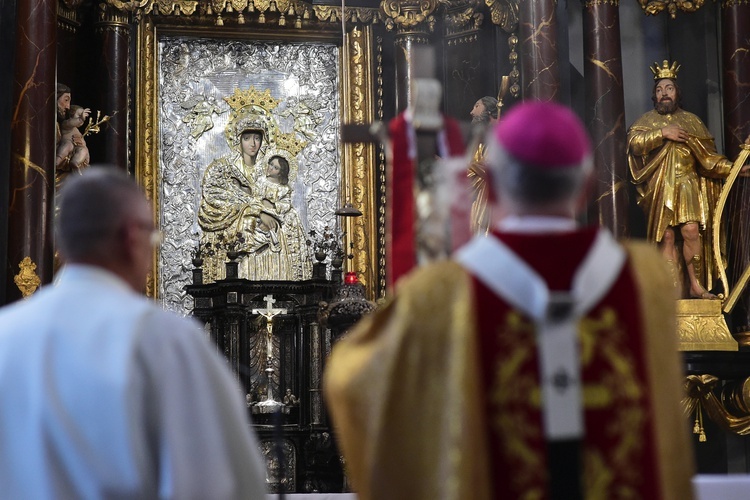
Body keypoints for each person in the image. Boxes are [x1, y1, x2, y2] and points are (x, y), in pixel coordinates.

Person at [325, 101, 693, 500]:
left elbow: (351, 381)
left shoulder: (439, 294)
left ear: (492, 186)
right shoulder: (647, 281)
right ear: (587, 187)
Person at [0, 168, 268, 498]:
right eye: (153, 238)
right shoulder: (164, 342)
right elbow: (225, 485)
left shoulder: (5, 334)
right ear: (131, 238)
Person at [628, 60, 750, 299]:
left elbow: (708, 160)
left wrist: (735, 169)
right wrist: (662, 133)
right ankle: (670, 290)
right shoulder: (645, 122)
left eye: (669, 88)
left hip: (687, 185)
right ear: (654, 95)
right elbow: (634, 144)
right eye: (659, 89)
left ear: (677, 93)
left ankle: (695, 284)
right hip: (659, 187)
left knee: (692, 231)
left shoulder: (692, 122)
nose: (664, 93)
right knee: (666, 237)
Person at [199, 117, 311, 282]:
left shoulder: (269, 166)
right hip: (238, 220)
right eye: (247, 138)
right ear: (238, 140)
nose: (253, 144)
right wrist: (258, 211)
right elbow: (217, 195)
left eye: (257, 138)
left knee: (291, 218)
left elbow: (278, 197)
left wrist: (269, 208)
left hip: (269, 217)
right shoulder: (224, 167)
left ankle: (283, 279)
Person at [468, 96, 499, 234]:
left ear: (490, 110)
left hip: (493, 205)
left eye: (476, 106)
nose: (471, 112)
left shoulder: (501, 136)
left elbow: (491, 169)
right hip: (477, 203)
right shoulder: (479, 141)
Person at [56, 104, 90, 171]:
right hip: (66, 145)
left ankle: (75, 162)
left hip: (75, 150)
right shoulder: (66, 124)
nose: (82, 117)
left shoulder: (77, 130)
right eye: (79, 115)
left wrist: (86, 157)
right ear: (71, 116)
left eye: (82, 115)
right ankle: (57, 161)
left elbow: (83, 143)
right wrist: (81, 119)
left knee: (83, 150)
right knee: (68, 145)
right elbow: (71, 123)